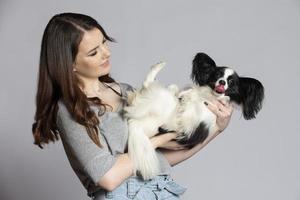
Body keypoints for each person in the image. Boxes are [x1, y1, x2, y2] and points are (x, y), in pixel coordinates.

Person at [32, 12, 233, 200]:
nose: (106, 53)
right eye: (94, 52)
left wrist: (217, 128)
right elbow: (108, 178)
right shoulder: (70, 109)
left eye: (104, 42)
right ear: (70, 63)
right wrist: (155, 141)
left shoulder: (124, 91)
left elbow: (163, 159)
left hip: (161, 191)